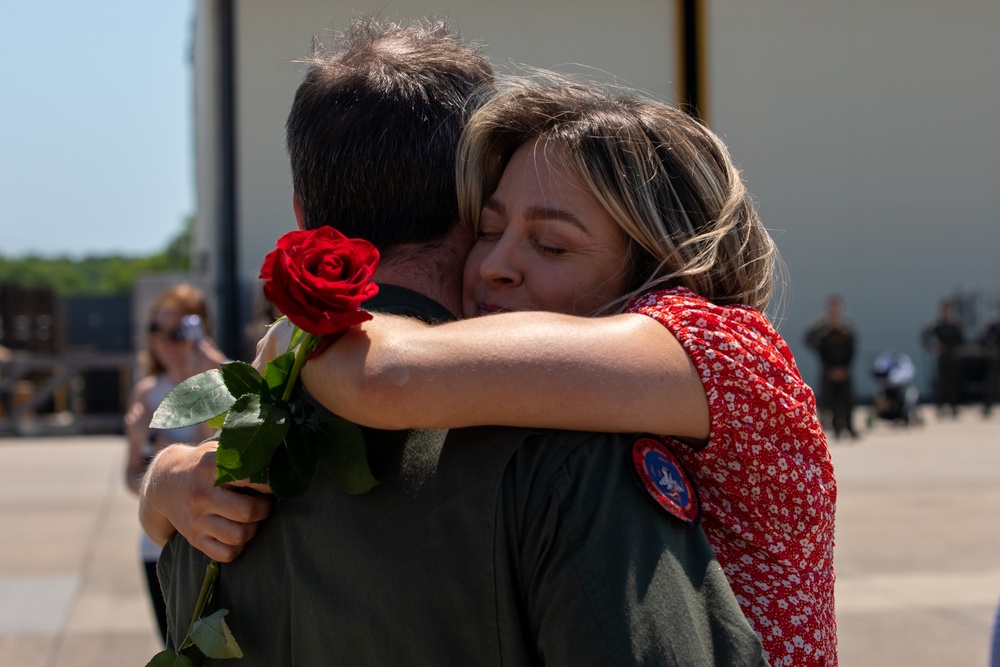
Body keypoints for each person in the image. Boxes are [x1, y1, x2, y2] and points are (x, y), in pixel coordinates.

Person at [140, 18, 766, 666]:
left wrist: (165, 475)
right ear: (476, 205)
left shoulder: (213, 489)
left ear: (305, 216)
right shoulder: (569, 438)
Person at [255, 75, 837, 666]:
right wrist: (170, 482)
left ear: (659, 262)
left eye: (551, 245)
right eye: (488, 230)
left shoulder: (723, 348)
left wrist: (291, 337)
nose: (495, 266)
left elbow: (385, 377)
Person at [123, 283, 224, 642]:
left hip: (213, 543)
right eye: (155, 330)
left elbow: (223, 462)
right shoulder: (146, 391)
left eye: (176, 332)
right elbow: (129, 479)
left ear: (199, 330)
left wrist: (154, 443)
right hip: (158, 543)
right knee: (172, 647)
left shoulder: (218, 382)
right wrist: (140, 441)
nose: (164, 341)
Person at [805, 294, 859, 439]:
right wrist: (830, 368)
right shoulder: (822, 329)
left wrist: (845, 368)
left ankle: (849, 426)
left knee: (847, 399)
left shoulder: (846, 328)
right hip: (828, 369)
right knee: (829, 399)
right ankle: (835, 428)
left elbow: (852, 349)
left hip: (844, 369)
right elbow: (810, 341)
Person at [921, 298, 965, 416]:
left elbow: (962, 340)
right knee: (941, 383)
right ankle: (940, 406)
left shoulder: (955, 324)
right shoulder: (937, 324)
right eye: (945, 309)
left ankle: (954, 406)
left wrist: (959, 349)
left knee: (954, 383)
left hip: (953, 358)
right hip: (942, 358)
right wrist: (934, 347)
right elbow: (925, 338)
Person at [979, 298, 1000, 417]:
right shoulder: (993, 324)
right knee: (991, 382)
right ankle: (987, 406)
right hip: (996, 357)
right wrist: (991, 350)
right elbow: (985, 339)